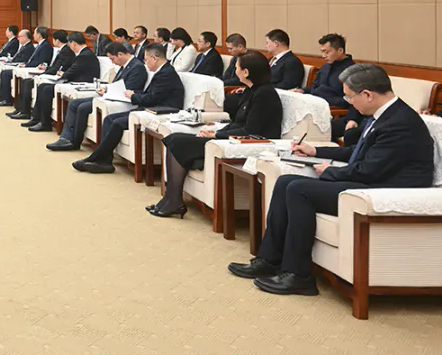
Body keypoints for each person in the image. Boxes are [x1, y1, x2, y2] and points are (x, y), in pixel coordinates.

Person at [229, 64, 435, 296]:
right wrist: (315, 151)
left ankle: (299, 275)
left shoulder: (400, 123)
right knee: (286, 181)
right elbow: (358, 152)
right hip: (372, 179)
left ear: (368, 94)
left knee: (299, 190)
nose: (349, 103)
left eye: (350, 97)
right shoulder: (385, 114)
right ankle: (270, 259)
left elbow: (368, 170)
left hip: (385, 190)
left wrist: (329, 171)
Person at [151, 50, 281, 218]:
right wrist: (216, 131)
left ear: (246, 72)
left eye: (237, 68)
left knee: (176, 141)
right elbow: (236, 122)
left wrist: (216, 136)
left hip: (247, 142)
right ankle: (171, 198)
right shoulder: (250, 90)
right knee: (174, 139)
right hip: (231, 138)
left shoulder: (265, 94)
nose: (235, 71)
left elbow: (250, 130)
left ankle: (174, 201)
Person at [73, 43, 184, 173]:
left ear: (154, 58)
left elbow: (151, 99)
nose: (145, 63)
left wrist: (133, 96)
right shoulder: (163, 71)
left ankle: (96, 158)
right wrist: (135, 95)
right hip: (151, 108)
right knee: (109, 119)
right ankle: (105, 161)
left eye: (146, 59)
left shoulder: (166, 74)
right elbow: (151, 95)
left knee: (117, 123)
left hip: (160, 111)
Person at [46, 42, 146, 151]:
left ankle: (74, 142)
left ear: (120, 54)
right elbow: (117, 85)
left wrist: (108, 91)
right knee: (74, 103)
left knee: (83, 107)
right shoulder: (126, 65)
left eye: (112, 59)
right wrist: (106, 88)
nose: (113, 62)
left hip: (121, 100)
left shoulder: (137, 67)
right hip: (111, 96)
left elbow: (128, 89)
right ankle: (66, 138)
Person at [25, 32, 101, 132]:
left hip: (82, 84)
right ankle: (37, 118)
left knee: (46, 89)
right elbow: (74, 69)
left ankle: (45, 123)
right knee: (43, 86)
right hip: (76, 81)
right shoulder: (84, 53)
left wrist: (63, 75)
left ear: (73, 43)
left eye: (69, 44)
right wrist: (64, 74)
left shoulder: (85, 55)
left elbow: (72, 71)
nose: (69, 46)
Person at [8, 29, 72, 120]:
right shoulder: (62, 50)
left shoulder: (65, 51)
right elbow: (54, 66)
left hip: (58, 77)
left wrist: (45, 72)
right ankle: (21, 109)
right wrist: (46, 69)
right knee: (26, 81)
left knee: (29, 83)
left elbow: (57, 68)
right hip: (51, 73)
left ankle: (26, 112)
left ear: (57, 40)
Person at [0, 27, 52, 107]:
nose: (33, 35)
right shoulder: (40, 45)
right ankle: (3, 98)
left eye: (35, 33)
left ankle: (7, 100)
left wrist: (26, 65)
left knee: (6, 74)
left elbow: (41, 61)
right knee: (4, 72)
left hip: (35, 69)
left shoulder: (46, 46)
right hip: (28, 66)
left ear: (39, 35)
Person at [294, 33, 355, 107]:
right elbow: (315, 88)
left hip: (334, 109)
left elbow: (350, 101)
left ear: (340, 51)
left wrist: (322, 97)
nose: (323, 56)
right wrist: (303, 90)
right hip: (318, 103)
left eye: (327, 52)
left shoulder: (352, 70)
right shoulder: (325, 66)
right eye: (322, 52)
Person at [0, 30, 34, 100]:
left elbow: (23, 59)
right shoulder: (24, 46)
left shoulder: (29, 47)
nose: (18, 38)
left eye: (20, 36)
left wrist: (11, 62)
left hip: (18, 65)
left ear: (26, 37)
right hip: (13, 63)